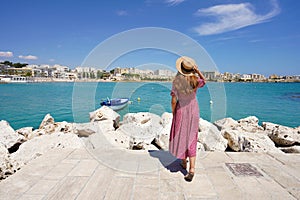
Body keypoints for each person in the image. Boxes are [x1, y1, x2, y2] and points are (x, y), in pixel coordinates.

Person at [169, 56, 206, 182]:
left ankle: (183, 162)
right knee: (192, 138)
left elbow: (174, 100)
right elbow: (204, 81)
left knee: (181, 136)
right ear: (191, 69)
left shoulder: (176, 82)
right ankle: (192, 169)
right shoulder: (195, 80)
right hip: (194, 111)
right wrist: (197, 70)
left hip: (181, 110)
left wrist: (174, 112)